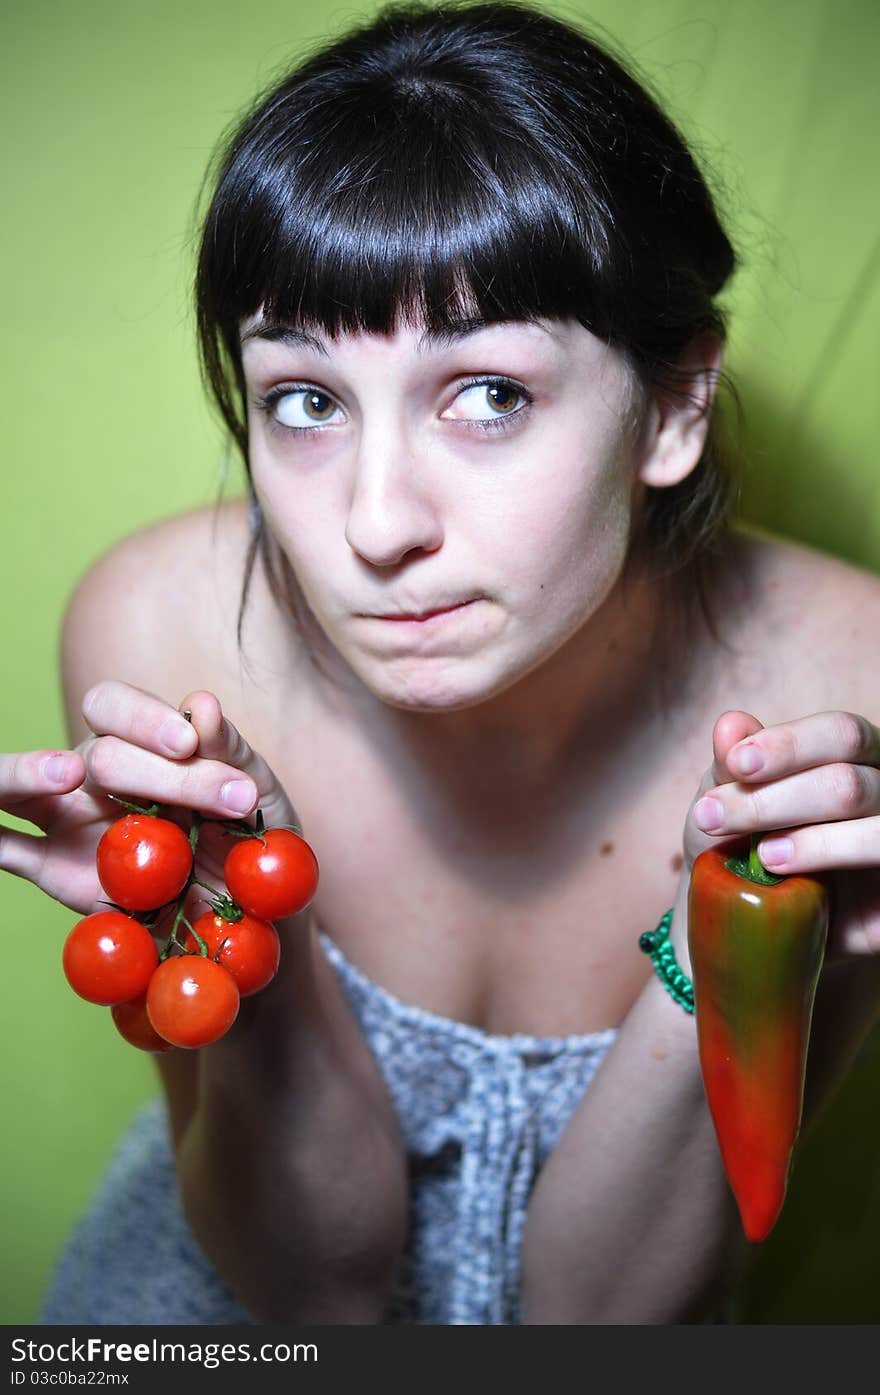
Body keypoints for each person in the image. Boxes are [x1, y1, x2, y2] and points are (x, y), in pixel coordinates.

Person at [3, 0, 880, 1325]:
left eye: (489, 396)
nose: (373, 525)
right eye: (304, 401)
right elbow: (310, 1295)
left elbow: (604, 1318)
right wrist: (255, 914)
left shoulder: (849, 699)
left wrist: (726, 943)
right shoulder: (167, 642)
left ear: (673, 406)